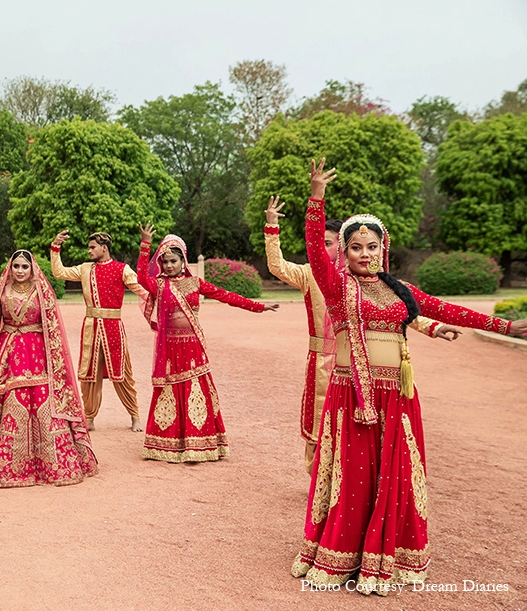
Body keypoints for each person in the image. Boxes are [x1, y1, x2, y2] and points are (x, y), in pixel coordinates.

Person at [291, 159, 527, 595]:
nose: (365, 254)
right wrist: (316, 197)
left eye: (373, 247)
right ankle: (341, 556)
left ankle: (388, 558)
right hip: (353, 396)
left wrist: (505, 326)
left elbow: (446, 309)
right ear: (343, 253)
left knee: (394, 475)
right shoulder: (337, 287)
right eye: (356, 248)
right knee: (354, 475)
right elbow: (310, 245)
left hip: (398, 397)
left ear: (384, 250)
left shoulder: (399, 290)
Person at [263, 196, 461, 474]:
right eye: (325, 242)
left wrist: (433, 327)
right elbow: (277, 267)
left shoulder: (372, 280)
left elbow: (400, 310)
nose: (330, 248)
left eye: (334, 242)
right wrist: (272, 227)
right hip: (323, 357)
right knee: (319, 418)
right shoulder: (311, 275)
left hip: (365, 358)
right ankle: (320, 477)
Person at [137, 224, 278, 463]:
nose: (169, 266)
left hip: (193, 348)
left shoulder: (196, 284)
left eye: (173, 261)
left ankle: (198, 444)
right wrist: (145, 244)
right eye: (165, 262)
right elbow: (141, 276)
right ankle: (167, 444)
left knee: (196, 391)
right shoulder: (159, 285)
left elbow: (226, 296)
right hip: (170, 349)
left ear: (184, 261)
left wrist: (258, 306)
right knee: (170, 391)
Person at [0, 250, 98, 487]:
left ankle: (49, 466)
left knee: (43, 403)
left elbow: (51, 327)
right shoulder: (2, 292)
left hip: (36, 355)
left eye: (24, 267)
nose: (20, 271)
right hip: (7, 354)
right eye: (16, 266)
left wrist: (54, 360)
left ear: (32, 269)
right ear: (10, 269)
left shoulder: (42, 292)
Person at [51, 231, 148, 431]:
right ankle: (89, 417)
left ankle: (134, 415)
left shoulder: (123, 269)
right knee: (89, 374)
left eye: (92, 247)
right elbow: (59, 272)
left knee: (122, 373)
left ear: (104, 248)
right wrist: (55, 247)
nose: (89, 250)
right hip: (91, 328)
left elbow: (142, 289)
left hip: (114, 327)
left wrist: (163, 297)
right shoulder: (85, 269)